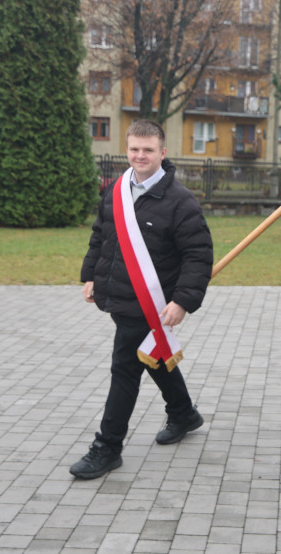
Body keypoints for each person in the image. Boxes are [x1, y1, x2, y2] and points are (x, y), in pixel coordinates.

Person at [71, 119, 213, 480]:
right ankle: (183, 412)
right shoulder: (116, 190)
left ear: (162, 153)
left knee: (124, 368)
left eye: (148, 150)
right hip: (118, 296)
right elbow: (100, 235)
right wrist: (89, 275)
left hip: (151, 302)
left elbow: (198, 255)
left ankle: (107, 446)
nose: (139, 155)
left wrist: (182, 301)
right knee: (152, 356)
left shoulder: (181, 201)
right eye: (134, 149)